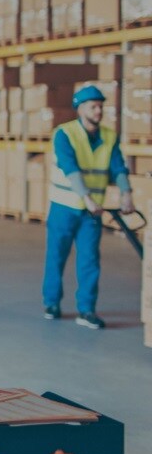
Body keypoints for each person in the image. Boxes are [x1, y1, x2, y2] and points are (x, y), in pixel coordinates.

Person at [42, 85, 134, 330]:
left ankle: (87, 310)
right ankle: (51, 303)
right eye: (93, 106)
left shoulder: (109, 136)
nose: (98, 110)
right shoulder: (64, 134)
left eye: (101, 106)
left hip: (90, 213)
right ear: (80, 108)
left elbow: (118, 167)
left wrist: (126, 193)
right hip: (64, 206)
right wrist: (88, 198)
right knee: (56, 256)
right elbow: (70, 168)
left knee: (90, 260)